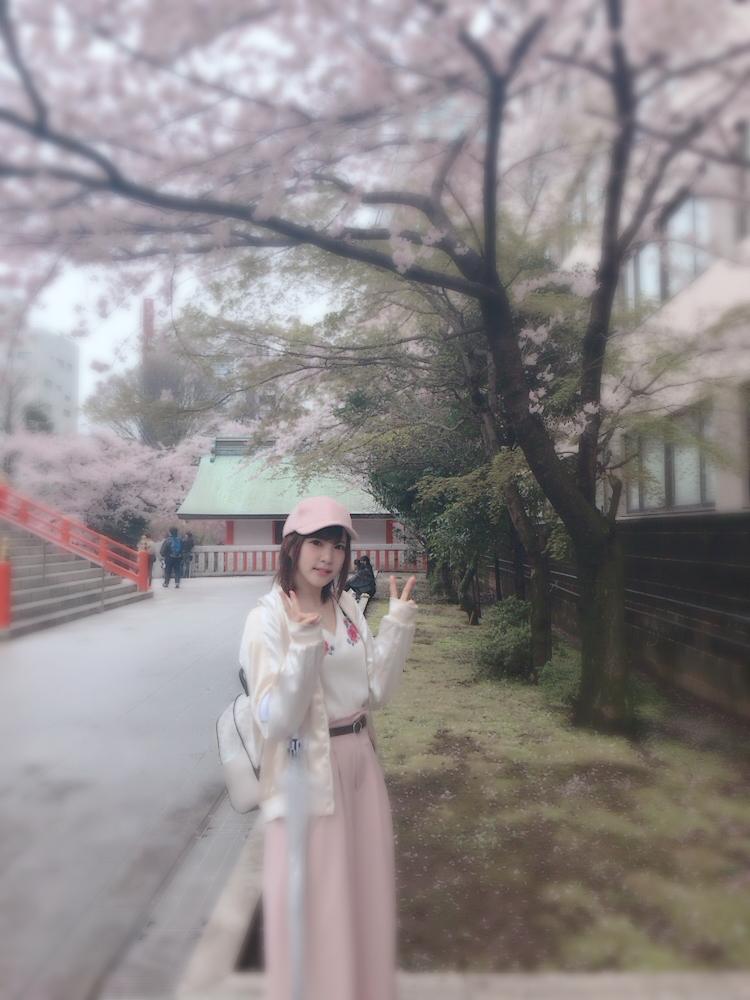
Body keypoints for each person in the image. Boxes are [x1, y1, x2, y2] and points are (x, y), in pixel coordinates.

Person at [237, 496, 417, 1000]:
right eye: (316, 542)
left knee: (366, 895)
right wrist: (302, 647)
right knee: (320, 909)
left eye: (337, 546)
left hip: (361, 765)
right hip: (308, 773)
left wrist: (398, 626)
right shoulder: (268, 619)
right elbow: (275, 720)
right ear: (292, 546)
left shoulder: (346, 607)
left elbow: (376, 693)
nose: (328, 557)